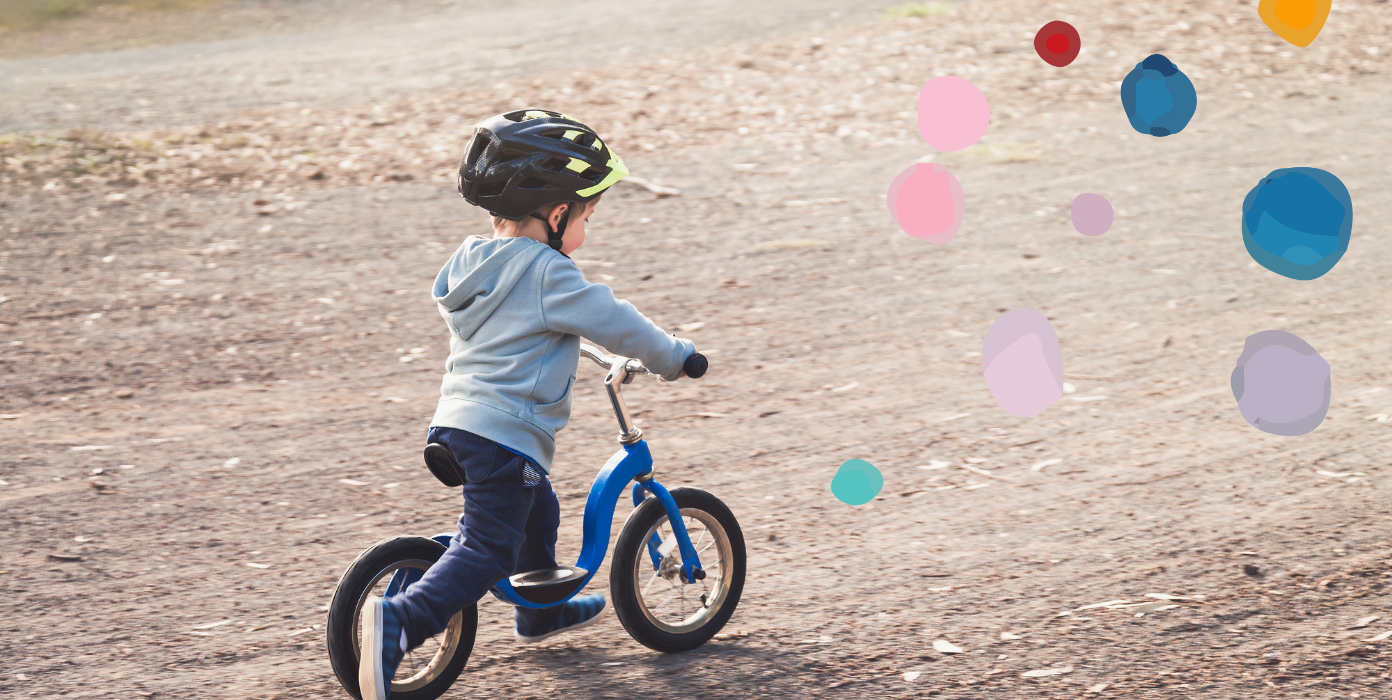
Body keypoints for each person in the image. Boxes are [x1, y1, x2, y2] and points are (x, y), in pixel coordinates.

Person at [358, 109, 699, 700]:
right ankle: (403, 621)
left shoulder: (475, 263)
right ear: (557, 213)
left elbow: (517, 330)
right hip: (502, 435)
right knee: (487, 547)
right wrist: (673, 355)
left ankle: (538, 611)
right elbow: (613, 320)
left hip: (456, 424)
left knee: (537, 507)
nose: (586, 232)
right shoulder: (549, 273)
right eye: (587, 217)